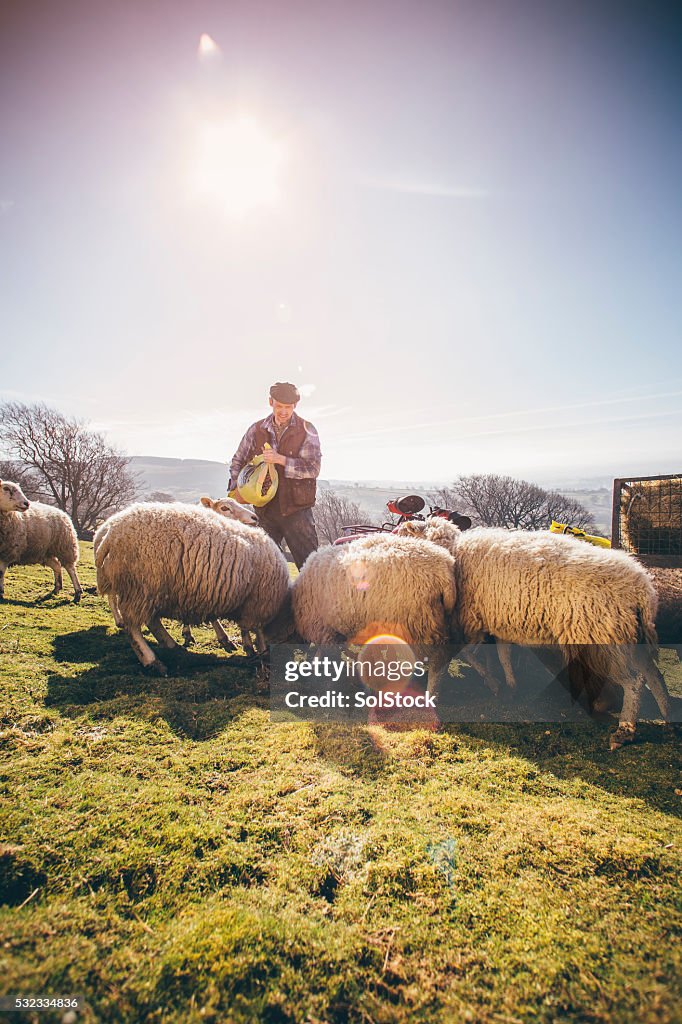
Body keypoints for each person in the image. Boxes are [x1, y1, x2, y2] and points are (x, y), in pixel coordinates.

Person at [228, 382, 321, 568]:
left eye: (288, 407)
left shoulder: (307, 430)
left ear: (295, 405)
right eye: (279, 406)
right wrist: (235, 489)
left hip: (297, 511)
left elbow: (313, 468)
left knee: (311, 567)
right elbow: (238, 460)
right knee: (264, 568)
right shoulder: (256, 430)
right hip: (265, 511)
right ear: (271, 402)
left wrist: (282, 460)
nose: (284, 412)